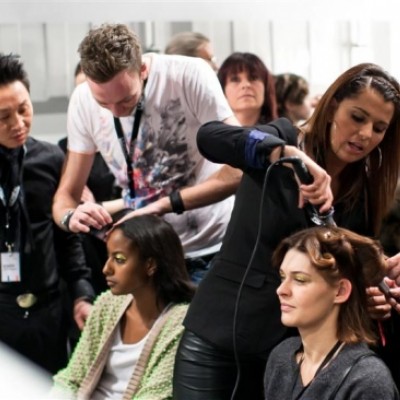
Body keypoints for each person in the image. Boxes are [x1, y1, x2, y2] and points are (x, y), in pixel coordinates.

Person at [173, 62, 400, 399]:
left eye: (379, 128)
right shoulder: (282, 139)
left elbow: (342, 275)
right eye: (357, 117)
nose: (366, 134)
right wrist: (286, 154)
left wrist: (374, 293)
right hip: (220, 339)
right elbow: (210, 137)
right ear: (332, 104)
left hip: (290, 357)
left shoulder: (362, 191)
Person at [52, 23, 240, 284]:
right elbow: (65, 197)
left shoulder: (188, 75)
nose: (116, 112)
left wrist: (164, 204)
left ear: (142, 69)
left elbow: (238, 169)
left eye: (126, 100)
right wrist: (71, 217)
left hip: (209, 250)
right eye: (103, 103)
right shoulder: (82, 100)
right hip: (143, 258)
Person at [0, 53, 95, 373]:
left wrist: (82, 293)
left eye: (23, 109)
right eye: (3, 116)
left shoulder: (51, 158)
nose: (18, 124)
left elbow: (67, 239)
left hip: (51, 308)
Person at [51, 214, 195, 399]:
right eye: (108, 257)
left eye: (119, 259)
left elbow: (155, 395)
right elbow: (71, 377)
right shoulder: (107, 304)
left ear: (150, 265)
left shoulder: (180, 323)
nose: (106, 269)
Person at [264, 226, 399, 400]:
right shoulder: (281, 357)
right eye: (283, 277)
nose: (281, 290)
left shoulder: (367, 380)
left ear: (340, 291)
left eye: (300, 280)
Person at [217, 52, 278, 126]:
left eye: (253, 78)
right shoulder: (208, 135)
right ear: (222, 91)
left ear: (266, 87)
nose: (246, 85)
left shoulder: (283, 134)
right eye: (235, 79)